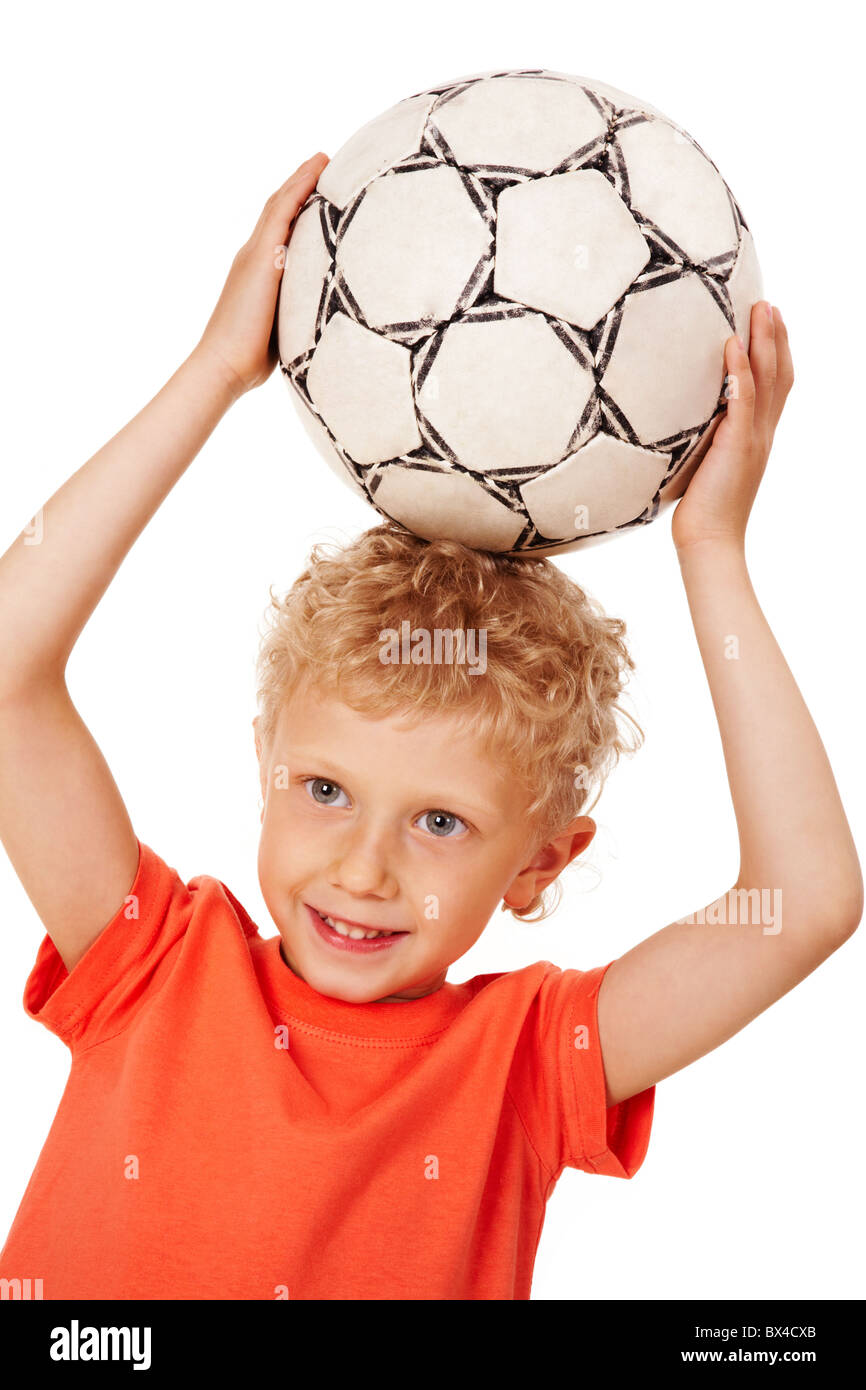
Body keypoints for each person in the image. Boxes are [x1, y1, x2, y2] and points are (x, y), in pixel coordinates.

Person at [0, 155, 860, 1300]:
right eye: (323, 790)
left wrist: (711, 552)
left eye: (442, 821)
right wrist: (215, 370)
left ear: (539, 864)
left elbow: (803, 901)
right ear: (265, 768)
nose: (362, 867)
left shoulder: (523, 1063)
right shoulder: (153, 963)